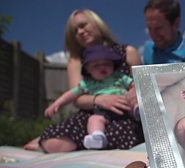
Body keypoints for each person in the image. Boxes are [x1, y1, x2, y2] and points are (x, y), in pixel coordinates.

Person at [24, 9, 144, 153]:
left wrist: (133, 94)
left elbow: (142, 84)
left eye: (83, 25)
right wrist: (100, 100)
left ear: (97, 23)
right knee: (54, 143)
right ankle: (81, 140)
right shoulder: (76, 60)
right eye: (75, 31)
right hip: (93, 114)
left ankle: (87, 142)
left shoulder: (127, 52)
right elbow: (77, 98)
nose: (80, 32)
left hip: (126, 112)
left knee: (129, 133)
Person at [44, 44, 137, 149]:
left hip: (125, 104)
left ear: (113, 65)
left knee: (135, 103)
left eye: (106, 64)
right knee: (94, 119)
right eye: (96, 65)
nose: (102, 67)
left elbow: (135, 85)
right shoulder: (88, 83)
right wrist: (57, 103)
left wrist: (133, 91)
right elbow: (71, 94)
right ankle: (97, 136)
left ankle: (138, 111)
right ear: (88, 69)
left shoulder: (120, 77)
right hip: (103, 111)